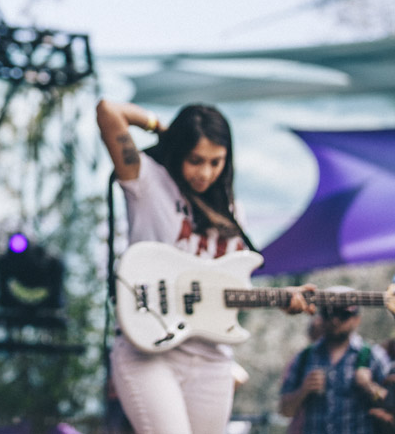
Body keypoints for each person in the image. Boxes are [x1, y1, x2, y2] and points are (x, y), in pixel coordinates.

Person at [96, 99, 309, 434]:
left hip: (211, 358)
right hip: (148, 351)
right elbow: (109, 110)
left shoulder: (231, 213)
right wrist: (165, 131)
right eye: (195, 159)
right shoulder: (149, 183)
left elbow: (227, 289)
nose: (205, 172)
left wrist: (281, 299)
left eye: (216, 162)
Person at [279, 286, 391, 434]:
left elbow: (391, 403)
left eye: (343, 314)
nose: (335, 320)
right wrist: (303, 391)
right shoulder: (304, 357)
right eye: (328, 313)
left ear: (357, 319)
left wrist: (370, 387)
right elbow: (284, 410)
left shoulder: (373, 356)